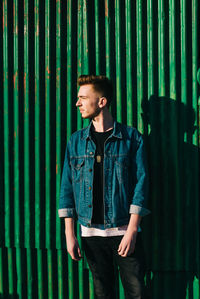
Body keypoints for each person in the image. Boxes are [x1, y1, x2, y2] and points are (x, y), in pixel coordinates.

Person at [58, 75, 150, 299]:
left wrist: (131, 232)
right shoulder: (76, 141)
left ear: (102, 102)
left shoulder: (131, 139)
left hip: (124, 232)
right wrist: (70, 235)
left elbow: (141, 184)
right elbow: (67, 189)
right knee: (103, 294)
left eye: (82, 98)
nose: (77, 103)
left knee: (136, 293)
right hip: (90, 235)